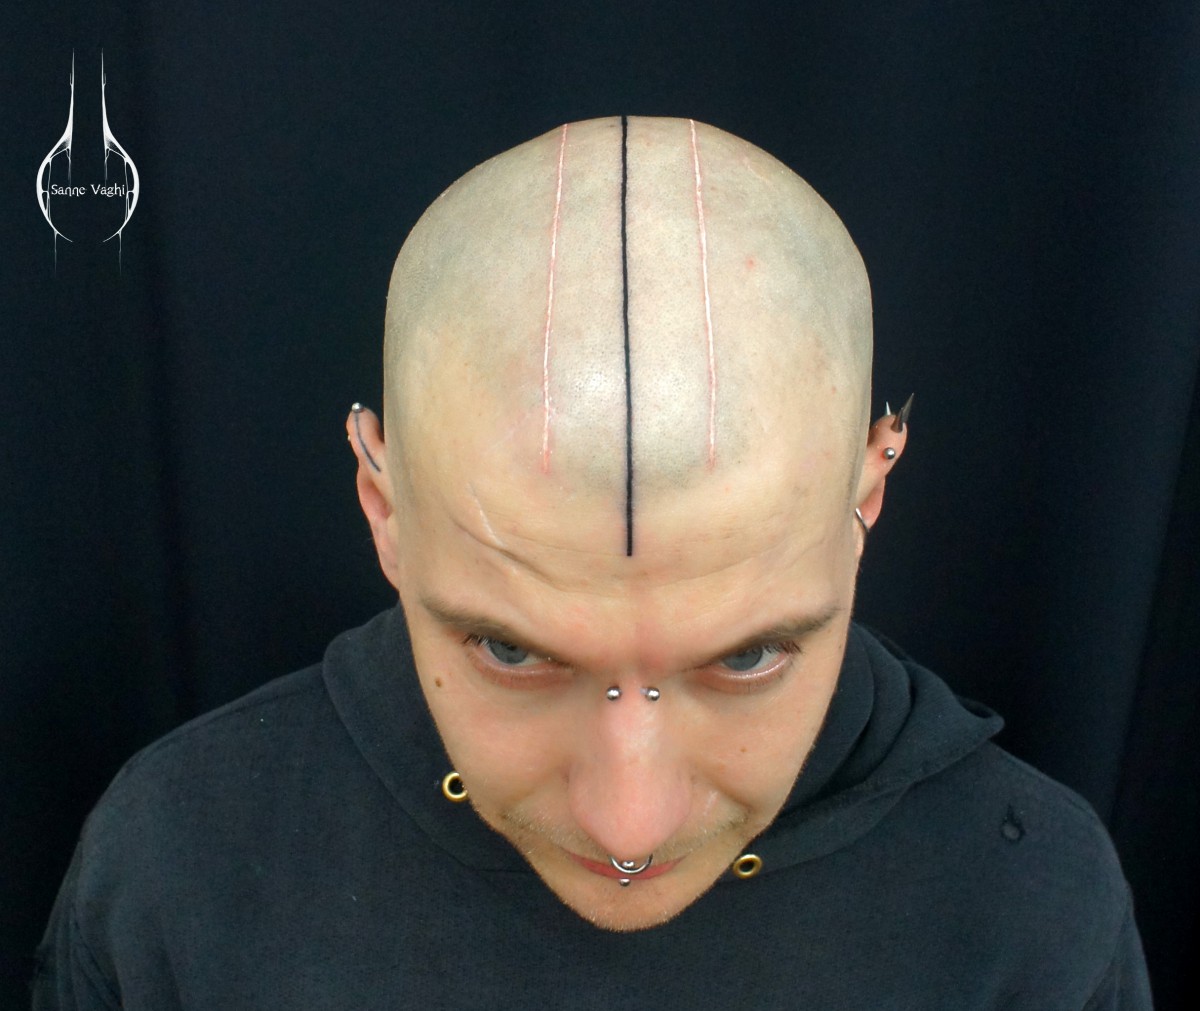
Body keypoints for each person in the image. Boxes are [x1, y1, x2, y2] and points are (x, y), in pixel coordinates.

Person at [33, 116, 1151, 1009]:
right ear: (384, 509)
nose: (629, 826)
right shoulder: (176, 866)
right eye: (511, 652)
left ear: (867, 500)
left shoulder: (1031, 904)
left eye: (748, 657)